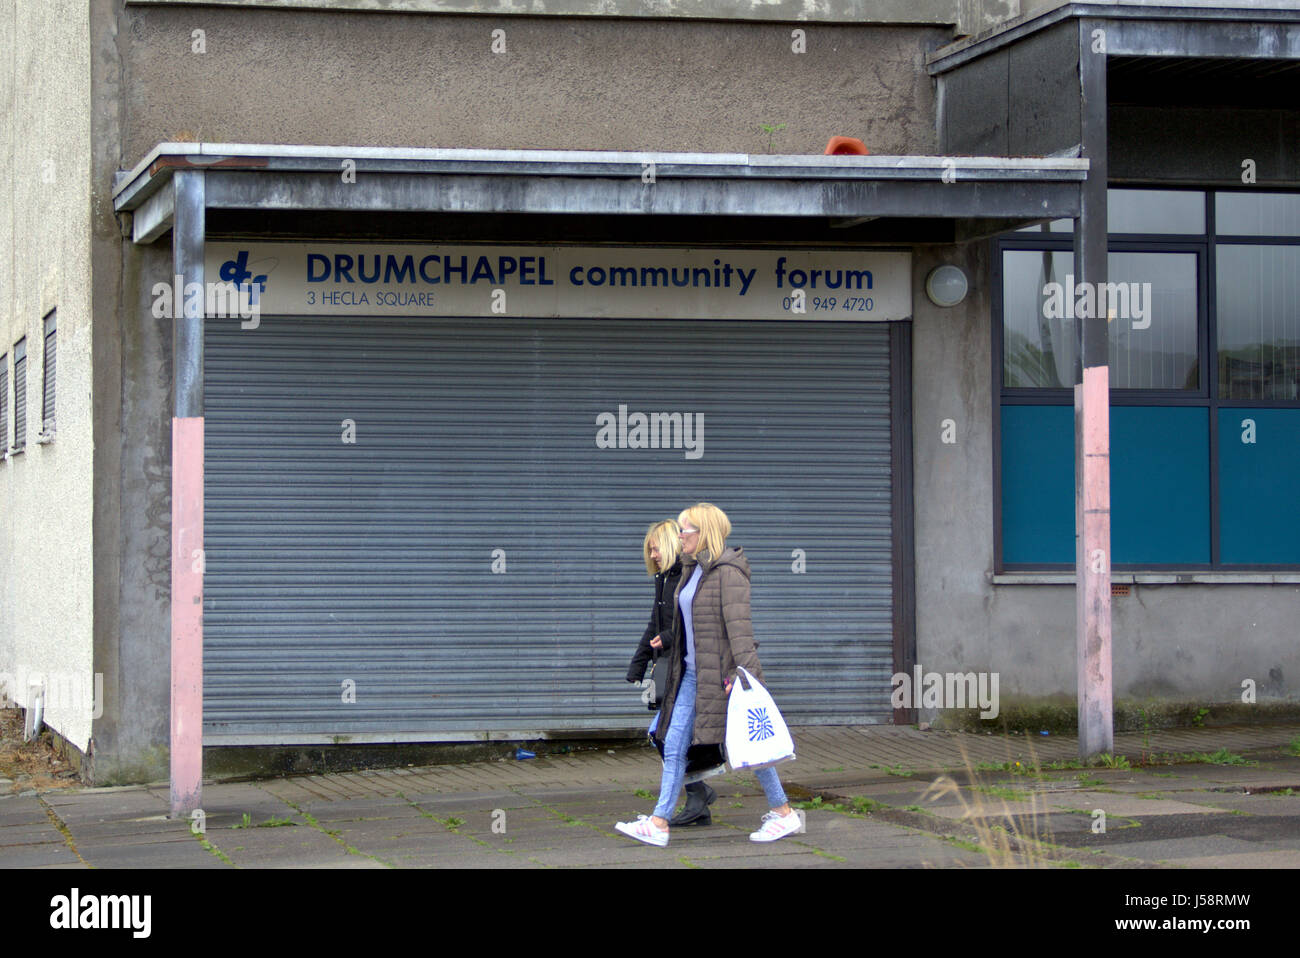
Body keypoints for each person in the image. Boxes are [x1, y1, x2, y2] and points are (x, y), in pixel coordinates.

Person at [615, 502, 800, 846]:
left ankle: (784, 813)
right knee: (672, 744)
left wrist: (747, 676)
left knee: (751, 747)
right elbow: (680, 626)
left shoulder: (728, 571)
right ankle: (659, 821)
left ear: (704, 533)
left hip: (723, 677)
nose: (680, 535)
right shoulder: (690, 569)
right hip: (690, 676)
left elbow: (739, 629)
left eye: (685, 529)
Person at [625, 520, 720, 826]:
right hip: (674, 670)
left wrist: (667, 638)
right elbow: (655, 623)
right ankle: (697, 795)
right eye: (649, 549)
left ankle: (693, 797)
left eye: (655, 547)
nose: (651, 554)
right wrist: (638, 664)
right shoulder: (664, 579)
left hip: (691, 671)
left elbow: (692, 622)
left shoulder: (687, 576)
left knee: (666, 736)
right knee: (670, 737)